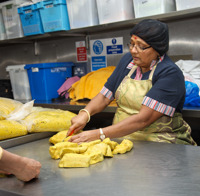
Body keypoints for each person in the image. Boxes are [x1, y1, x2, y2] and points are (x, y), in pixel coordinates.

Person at [68, 19, 196, 145]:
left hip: (160, 142)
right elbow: (104, 96)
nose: (133, 50)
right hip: (121, 139)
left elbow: (143, 120)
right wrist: (85, 113)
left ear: (158, 49)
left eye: (141, 46)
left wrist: (99, 134)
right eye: (132, 44)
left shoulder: (169, 73)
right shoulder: (128, 61)